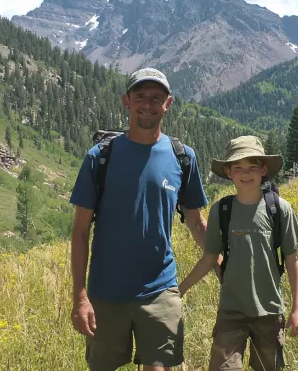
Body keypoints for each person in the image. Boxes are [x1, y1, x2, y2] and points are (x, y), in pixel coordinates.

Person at [69, 67, 211, 371]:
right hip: (105, 293)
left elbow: (197, 223)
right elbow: (80, 231)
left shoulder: (183, 158)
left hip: (160, 290)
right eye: (140, 96)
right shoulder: (100, 157)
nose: (148, 104)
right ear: (126, 100)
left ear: (168, 103)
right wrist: (80, 296)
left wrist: (226, 261)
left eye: (156, 98)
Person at [178, 135, 298, 371]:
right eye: (238, 167)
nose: (245, 173)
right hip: (231, 310)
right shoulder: (221, 210)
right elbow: (209, 258)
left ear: (263, 169)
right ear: (228, 172)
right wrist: (181, 289)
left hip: (269, 311)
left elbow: (292, 260)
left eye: (252, 167)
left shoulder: (279, 209)